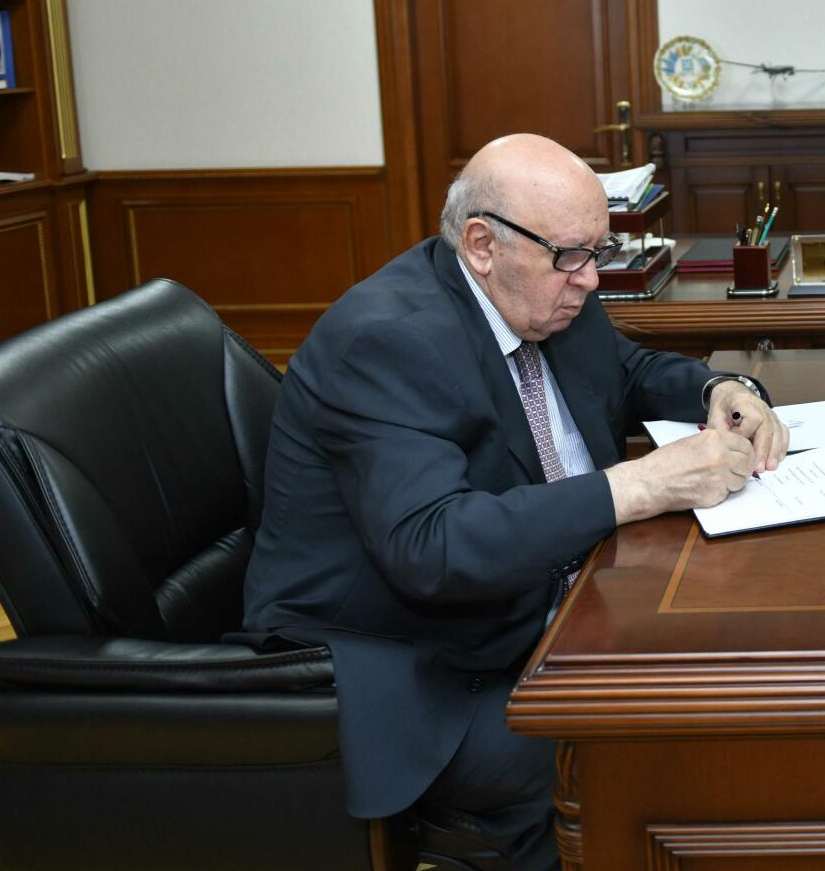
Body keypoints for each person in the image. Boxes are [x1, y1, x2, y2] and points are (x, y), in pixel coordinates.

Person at [241, 133, 789, 870]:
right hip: (419, 668)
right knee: (647, 758)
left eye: (599, 251)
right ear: (481, 245)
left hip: (549, 609)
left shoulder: (544, 290)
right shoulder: (386, 343)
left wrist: (720, 388)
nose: (591, 278)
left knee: (733, 693)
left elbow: (626, 371)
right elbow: (432, 547)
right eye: (573, 255)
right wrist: (639, 485)